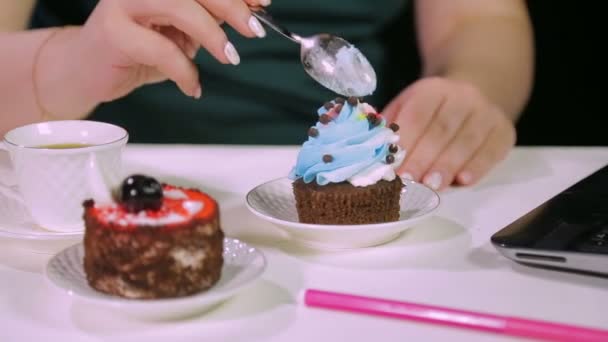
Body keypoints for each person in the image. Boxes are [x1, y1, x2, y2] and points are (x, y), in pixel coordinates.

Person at [0, 0, 533, 191]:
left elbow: (481, 18)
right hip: (95, 182)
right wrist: (69, 64)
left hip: (365, 190)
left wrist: (471, 90)